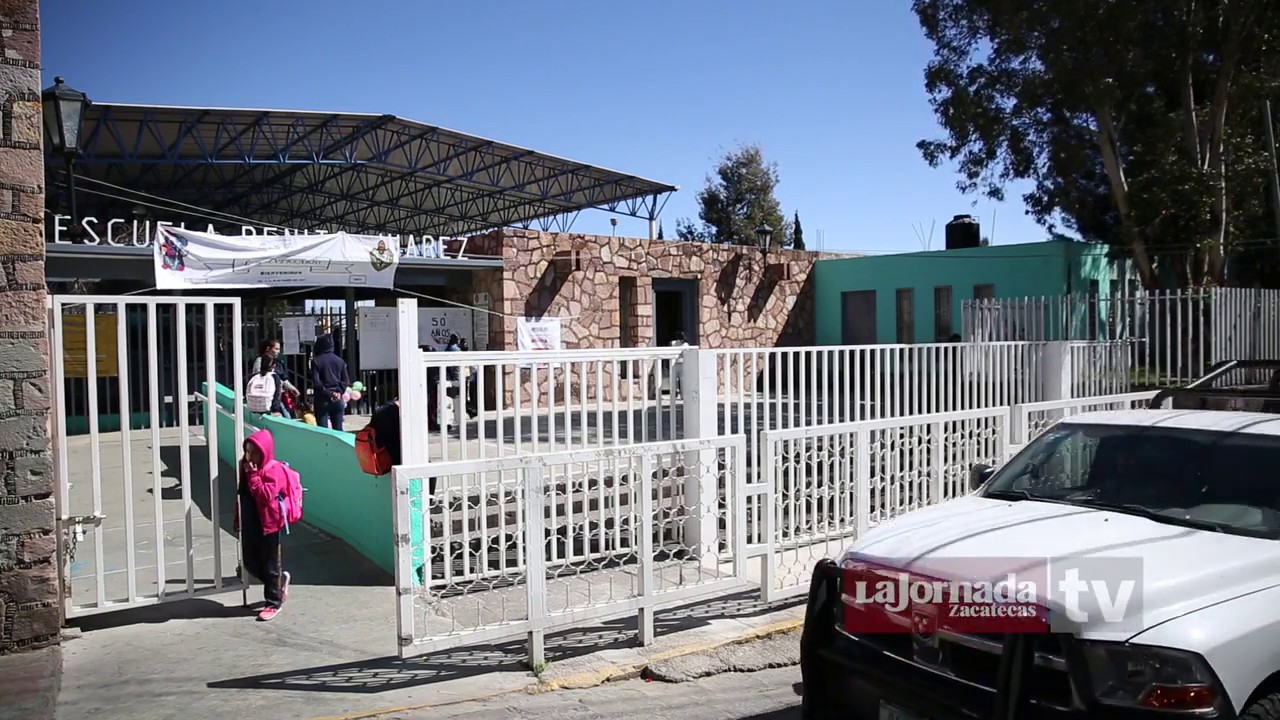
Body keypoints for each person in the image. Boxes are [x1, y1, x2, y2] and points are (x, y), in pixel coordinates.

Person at [237, 429, 292, 621]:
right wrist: (238, 519)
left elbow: (266, 496)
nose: (249, 456)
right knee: (250, 563)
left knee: (270, 566)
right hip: (250, 523)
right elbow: (242, 496)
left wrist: (253, 476)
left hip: (269, 524)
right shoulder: (245, 468)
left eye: (254, 452)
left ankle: (273, 602)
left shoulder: (272, 469)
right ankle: (277, 587)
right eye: (247, 451)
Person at [310, 333, 350, 431]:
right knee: (338, 429)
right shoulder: (339, 361)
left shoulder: (316, 361)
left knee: (323, 431)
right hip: (338, 399)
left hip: (322, 398)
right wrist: (338, 392)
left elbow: (317, 382)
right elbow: (345, 381)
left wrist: (329, 393)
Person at [251, 339, 299, 419]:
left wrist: (291, 388)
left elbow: (282, 378)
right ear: (268, 349)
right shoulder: (260, 361)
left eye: (279, 349)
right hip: (266, 397)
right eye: (276, 349)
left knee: (287, 416)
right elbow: (259, 377)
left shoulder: (278, 363)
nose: (278, 351)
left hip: (278, 396)